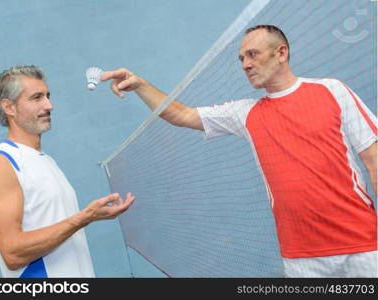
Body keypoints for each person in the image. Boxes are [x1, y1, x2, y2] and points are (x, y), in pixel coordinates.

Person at [101, 25, 377, 277]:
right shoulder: (245, 113)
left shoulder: (332, 90)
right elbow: (181, 115)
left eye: (253, 54)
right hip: (301, 258)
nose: (245, 64)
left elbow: (373, 159)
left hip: (364, 245)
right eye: (242, 59)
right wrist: (140, 85)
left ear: (281, 53)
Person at [0, 65, 135, 278]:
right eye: (36, 98)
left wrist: (90, 217)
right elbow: (12, 253)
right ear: (9, 107)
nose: (49, 105)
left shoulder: (46, 160)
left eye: (48, 96)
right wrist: (83, 218)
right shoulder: (0, 163)